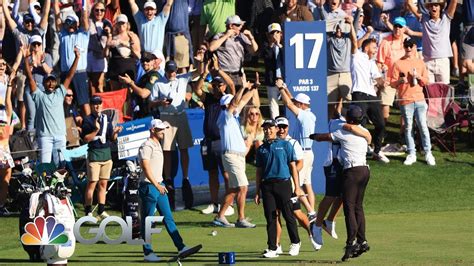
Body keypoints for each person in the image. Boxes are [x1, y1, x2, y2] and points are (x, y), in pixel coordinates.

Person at [310, 105, 372, 262]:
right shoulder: (365, 132)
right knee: (358, 207)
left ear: (349, 119)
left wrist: (313, 136)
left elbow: (323, 137)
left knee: (349, 208)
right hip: (365, 171)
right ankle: (362, 241)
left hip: (352, 172)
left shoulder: (343, 132)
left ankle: (351, 243)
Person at [138, 119, 195, 262]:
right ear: (152, 130)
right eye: (160, 129)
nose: (162, 131)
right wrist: (156, 184)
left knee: (168, 217)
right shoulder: (146, 146)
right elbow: (145, 167)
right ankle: (148, 252)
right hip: (149, 187)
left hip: (159, 185)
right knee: (148, 221)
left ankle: (181, 246)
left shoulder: (158, 144)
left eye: (163, 129)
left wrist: (160, 184)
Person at [149, 59, 202, 209]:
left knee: (184, 148)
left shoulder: (182, 78)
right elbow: (150, 102)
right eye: (169, 71)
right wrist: (160, 102)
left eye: (173, 71)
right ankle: (168, 179)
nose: (171, 73)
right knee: (167, 151)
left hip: (181, 115)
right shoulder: (158, 83)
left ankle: (185, 177)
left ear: (176, 70)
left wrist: (199, 60)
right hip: (166, 116)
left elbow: (199, 72)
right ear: (165, 70)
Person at [23, 46, 80, 165]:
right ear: (43, 84)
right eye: (48, 81)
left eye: (53, 81)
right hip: (45, 138)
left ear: (56, 83)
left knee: (62, 166)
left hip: (60, 136)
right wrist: (25, 59)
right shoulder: (39, 95)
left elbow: (70, 75)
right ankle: (46, 184)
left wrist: (77, 58)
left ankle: (60, 184)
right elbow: (30, 77)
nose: (50, 83)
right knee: (46, 166)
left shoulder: (60, 93)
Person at [255, 119, 302, 258]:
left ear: (276, 129)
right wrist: (257, 191)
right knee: (271, 217)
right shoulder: (261, 149)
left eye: (270, 128)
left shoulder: (285, 145)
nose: (268, 131)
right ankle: (273, 248)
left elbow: (293, 167)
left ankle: (295, 242)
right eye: (265, 129)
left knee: (288, 215)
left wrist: (297, 187)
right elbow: (259, 171)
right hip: (267, 185)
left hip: (284, 184)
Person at [273, 116, 321, 253]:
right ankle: (276, 245)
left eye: (284, 127)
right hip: (274, 183)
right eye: (279, 127)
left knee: (296, 213)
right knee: (276, 214)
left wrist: (286, 173)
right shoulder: (271, 142)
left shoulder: (293, 143)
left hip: (290, 184)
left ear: (287, 128)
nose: (281, 129)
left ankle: (312, 235)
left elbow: (300, 163)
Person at [193, 56, 234, 216]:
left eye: (220, 85)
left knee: (225, 174)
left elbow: (231, 84)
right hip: (208, 141)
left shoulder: (228, 99)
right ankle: (214, 203)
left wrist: (218, 70)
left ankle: (227, 203)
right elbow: (197, 89)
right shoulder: (209, 98)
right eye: (215, 84)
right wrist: (204, 74)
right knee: (212, 173)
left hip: (222, 141)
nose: (217, 87)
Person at [213, 83, 257, 228]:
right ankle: (241, 219)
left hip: (238, 156)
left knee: (233, 189)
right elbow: (236, 102)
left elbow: (242, 100)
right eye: (232, 104)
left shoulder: (233, 117)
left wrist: (253, 88)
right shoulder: (224, 116)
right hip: (231, 156)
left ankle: (220, 216)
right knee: (243, 187)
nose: (237, 105)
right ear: (227, 106)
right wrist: (242, 88)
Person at [2, 0, 50, 129]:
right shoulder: (20, 32)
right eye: (27, 22)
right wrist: (3, 5)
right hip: (23, 70)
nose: (29, 24)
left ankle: (40, 126)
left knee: (41, 101)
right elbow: (8, 19)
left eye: (31, 22)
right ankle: (23, 126)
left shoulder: (39, 31)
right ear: (23, 23)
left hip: (39, 71)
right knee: (22, 99)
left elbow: (45, 15)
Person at [390, 38, 435, 166]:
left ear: (415, 47)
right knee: (408, 127)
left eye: (410, 46)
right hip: (405, 100)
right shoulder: (398, 63)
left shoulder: (420, 63)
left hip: (420, 99)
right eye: (406, 46)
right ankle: (411, 153)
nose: (408, 48)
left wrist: (419, 77)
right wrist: (400, 81)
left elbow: (426, 81)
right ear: (404, 47)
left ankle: (428, 153)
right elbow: (392, 83)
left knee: (423, 126)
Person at [277, 80, 317, 220]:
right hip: (309, 152)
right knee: (307, 184)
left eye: (297, 103)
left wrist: (280, 88)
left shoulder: (304, 116)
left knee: (296, 185)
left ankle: (311, 212)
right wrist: (286, 89)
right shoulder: (310, 114)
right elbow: (292, 101)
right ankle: (312, 214)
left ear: (302, 105)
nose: (295, 104)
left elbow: (289, 104)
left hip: (303, 155)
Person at [81, 95, 122, 219]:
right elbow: (85, 139)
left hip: (106, 154)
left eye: (99, 103)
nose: (97, 106)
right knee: (92, 184)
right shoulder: (87, 120)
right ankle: (88, 211)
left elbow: (111, 138)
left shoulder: (106, 118)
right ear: (91, 106)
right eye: (94, 104)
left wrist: (115, 133)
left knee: (103, 184)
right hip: (94, 155)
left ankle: (101, 210)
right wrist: (95, 130)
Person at [350, 36, 389, 163]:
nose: (376, 50)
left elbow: (379, 81)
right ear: (366, 48)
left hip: (371, 96)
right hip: (359, 93)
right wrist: (366, 32)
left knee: (381, 124)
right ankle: (361, 151)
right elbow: (354, 41)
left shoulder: (372, 63)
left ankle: (377, 151)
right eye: (374, 47)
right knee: (360, 124)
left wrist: (384, 78)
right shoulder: (356, 55)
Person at [406, 0, 458, 84]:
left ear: (440, 7)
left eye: (436, 5)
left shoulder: (446, 17)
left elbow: (454, 2)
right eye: (431, 6)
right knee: (429, 92)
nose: (433, 7)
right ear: (428, 8)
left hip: (443, 60)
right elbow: (409, 3)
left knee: (444, 92)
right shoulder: (424, 18)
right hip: (427, 60)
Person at [54, 3, 91, 116]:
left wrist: (84, 4)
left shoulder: (83, 34)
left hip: (79, 74)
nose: (70, 25)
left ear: (77, 24)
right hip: (66, 74)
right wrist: (54, 4)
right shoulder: (63, 34)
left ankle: (90, 125)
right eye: (68, 22)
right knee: (66, 101)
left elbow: (84, 19)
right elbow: (57, 17)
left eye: (73, 22)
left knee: (83, 101)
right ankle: (69, 127)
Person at [209, 15, 258, 89]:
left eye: (241, 25)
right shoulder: (220, 36)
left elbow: (254, 51)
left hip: (238, 75)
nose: (241, 27)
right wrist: (226, 35)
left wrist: (251, 38)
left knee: (238, 98)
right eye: (238, 25)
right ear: (231, 26)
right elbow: (211, 48)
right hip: (224, 75)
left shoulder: (242, 37)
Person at [376, 16, 409, 123]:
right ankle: (383, 131)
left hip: (404, 81)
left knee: (405, 109)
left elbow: (413, 59)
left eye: (400, 27)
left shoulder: (407, 41)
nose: (397, 29)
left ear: (404, 28)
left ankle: (403, 133)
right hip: (389, 80)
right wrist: (381, 77)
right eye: (396, 26)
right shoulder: (385, 41)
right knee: (385, 105)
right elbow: (379, 62)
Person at [23, 35, 53, 131]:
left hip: (42, 88)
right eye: (34, 44)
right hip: (29, 88)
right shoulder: (27, 58)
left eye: (38, 44)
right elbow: (25, 73)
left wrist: (42, 62)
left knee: (42, 113)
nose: (36, 46)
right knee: (32, 114)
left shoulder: (47, 56)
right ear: (31, 45)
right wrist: (30, 65)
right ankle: (30, 141)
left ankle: (41, 136)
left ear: (41, 45)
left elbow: (49, 71)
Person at [119, 51, 161, 119]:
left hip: (151, 114)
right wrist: (129, 85)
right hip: (141, 112)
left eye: (147, 61)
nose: (145, 63)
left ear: (153, 61)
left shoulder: (154, 76)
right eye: (143, 61)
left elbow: (144, 94)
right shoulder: (144, 77)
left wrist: (131, 83)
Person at [105, 14, 140, 91]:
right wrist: (109, 41)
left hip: (129, 69)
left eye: (123, 23)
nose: (121, 25)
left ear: (127, 24)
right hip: (115, 69)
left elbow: (138, 54)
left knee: (129, 93)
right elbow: (106, 54)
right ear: (116, 24)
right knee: (116, 93)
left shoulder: (132, 36)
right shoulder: (113, 36)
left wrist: (124, 43)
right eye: (119, 23)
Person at [87, 1, 113, 93]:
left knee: (99, 83)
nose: (99, 12)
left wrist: (109, 33)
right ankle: (93, 104)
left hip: (102, 55)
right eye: (97, 10)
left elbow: (111, 39)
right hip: (90, 55)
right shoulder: (89, 22)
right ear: (93, 11)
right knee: (91, 84)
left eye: (102, 10)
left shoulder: (107, 23)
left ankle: (100, 104)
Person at [262, 23, 284, 119]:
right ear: (268, 35)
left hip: (285, 79)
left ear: (281, 34)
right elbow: (268, 58)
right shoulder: (266, 47)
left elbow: (287, 58)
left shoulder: (285, 46)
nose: (275, 35)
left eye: (277, 32)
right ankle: (275, 125)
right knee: (273, 106)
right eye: (272, 33)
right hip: (272, 80)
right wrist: (272, 45)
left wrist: (279, 45)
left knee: (288, 102)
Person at [0, 73, 14, 216]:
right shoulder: (5, 115)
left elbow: (8, 100)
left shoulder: (6, 115)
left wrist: (9, 85)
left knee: (6, 179)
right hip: (2, 150)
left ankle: (2, 205)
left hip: (5, 150)